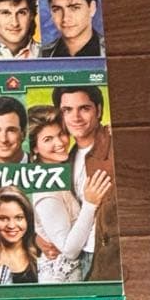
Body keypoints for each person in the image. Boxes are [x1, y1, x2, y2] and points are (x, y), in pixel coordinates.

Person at [26, 105, 111, 284]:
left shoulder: (60, 171)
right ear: (35, 148)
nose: (60, 143)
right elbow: (69, 250)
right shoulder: (47, 190)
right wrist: (90, 204)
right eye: (48, 139)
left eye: (61, 134)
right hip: (62, 282)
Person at [52, 84, 118, 282]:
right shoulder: (65, 159)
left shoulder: (114, 145)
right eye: (67, 110)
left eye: (84, 108)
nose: (76, 117)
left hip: (108, 257)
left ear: (99, 110)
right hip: (76, 256)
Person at [40, 0, 104, 57]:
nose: (65, 18)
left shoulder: (108, 50)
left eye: (74, 8)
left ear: (92, 8)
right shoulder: (40, 55)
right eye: (57, 9)